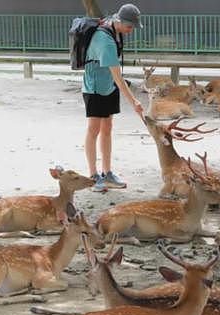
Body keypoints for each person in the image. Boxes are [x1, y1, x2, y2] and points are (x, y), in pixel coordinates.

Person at [82, 3, 145, 193]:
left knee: (107, 127)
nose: (131, 30)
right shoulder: (106, 41)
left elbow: (115, 80)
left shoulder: (114, 31)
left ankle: (107, 173)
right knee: (94, 129)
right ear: (120, 21)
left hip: (108, 87)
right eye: (129, 27)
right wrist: (134, 102)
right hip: (95, 89)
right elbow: (119, 78)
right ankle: (93, 177)